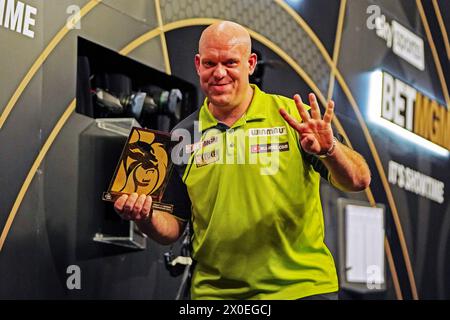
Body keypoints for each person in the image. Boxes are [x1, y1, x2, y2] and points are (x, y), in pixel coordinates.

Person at [114, 21, 371, 300]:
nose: (219, 73)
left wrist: (329, 149)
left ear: (250, 64)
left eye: (230, 62)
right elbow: (173, 227)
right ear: (198, 65)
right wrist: (146, 217)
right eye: (210, 63)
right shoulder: (182, 136)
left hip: (300, 289)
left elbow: (359, 179)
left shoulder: (293, 118)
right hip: (215, 296)